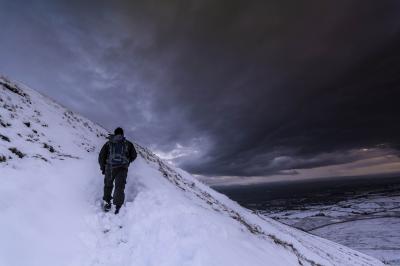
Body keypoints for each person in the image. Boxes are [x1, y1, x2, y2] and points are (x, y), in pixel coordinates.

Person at [98, 127, 137, 214]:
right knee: (119, 186)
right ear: (123, 134)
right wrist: (128, 161)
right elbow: (134, 155)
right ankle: (118, 206)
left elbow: (101, 157)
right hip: (122, 168)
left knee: (108, 185)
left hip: (110, 167)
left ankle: (107, 203)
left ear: (114, 134)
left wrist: (103, 168)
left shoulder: (108, 143)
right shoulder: (128, 144)